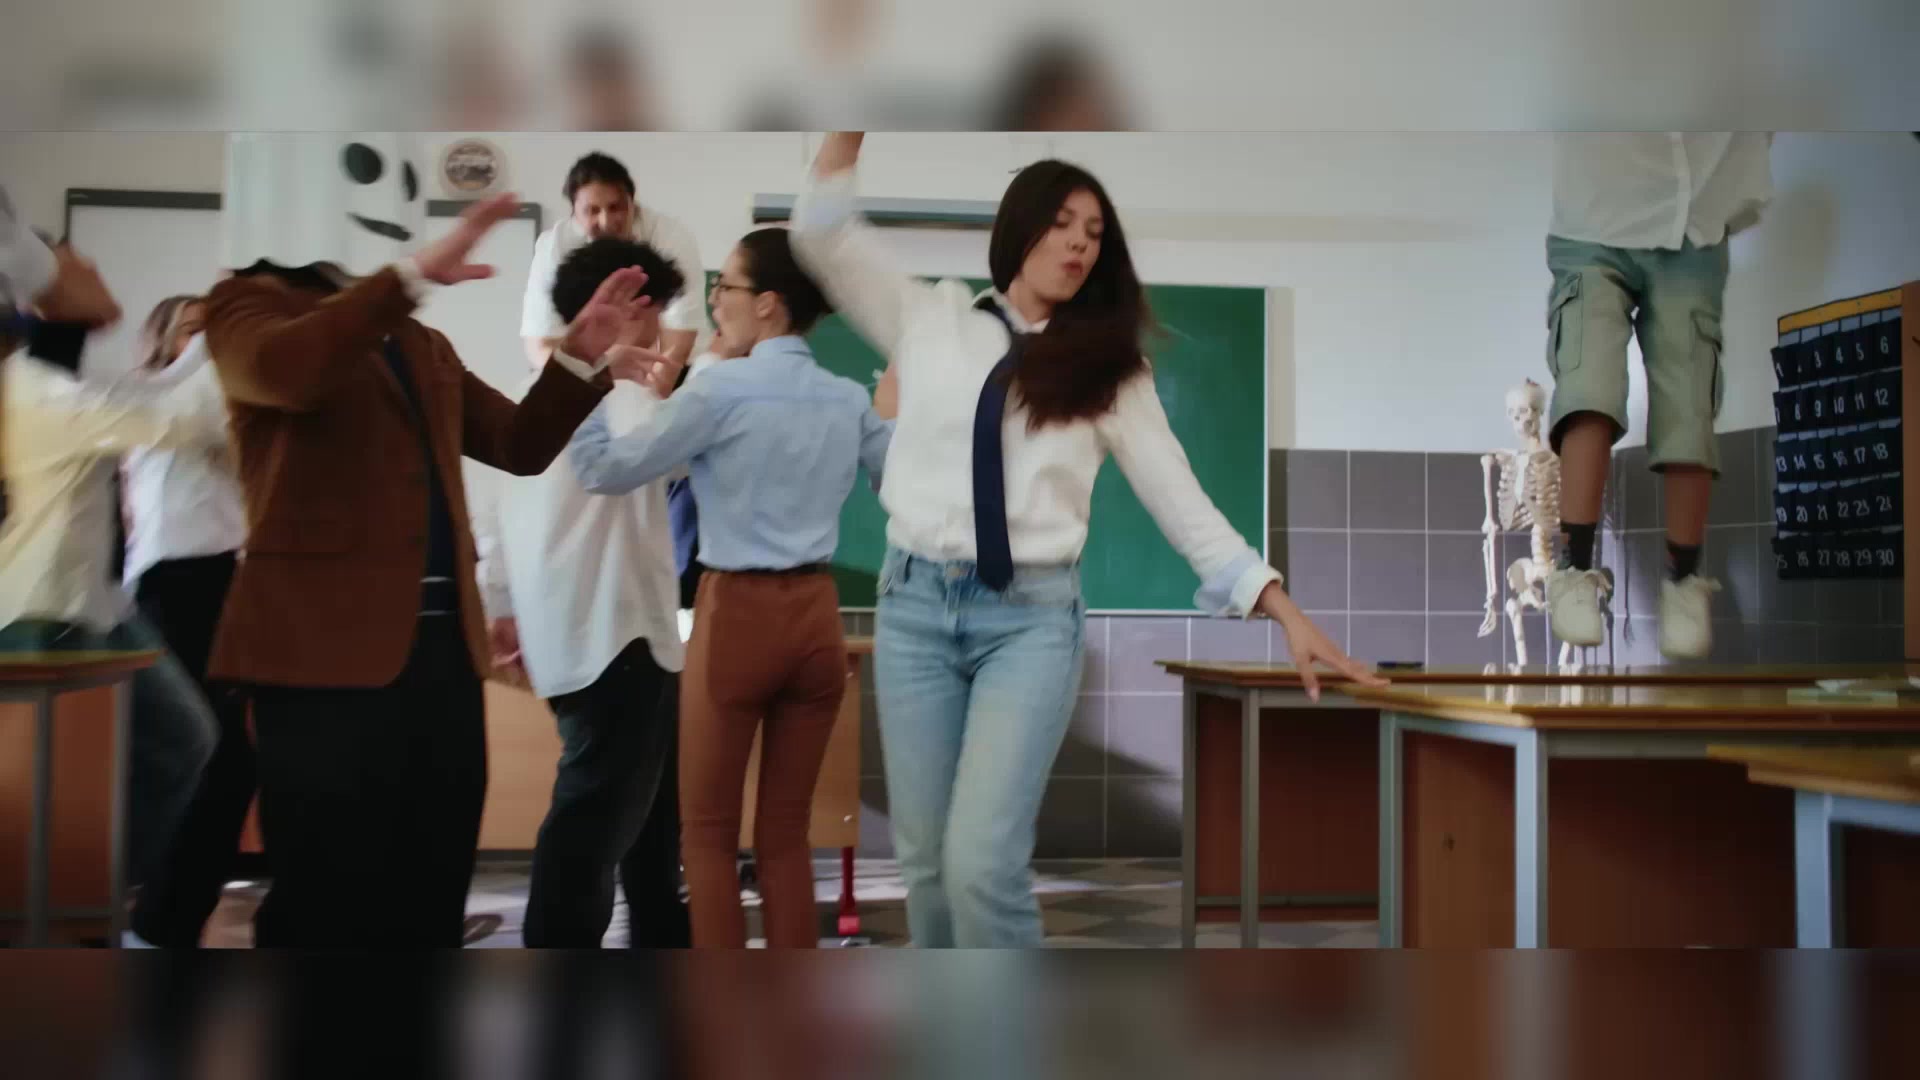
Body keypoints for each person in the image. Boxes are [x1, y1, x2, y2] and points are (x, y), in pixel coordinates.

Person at [789, 132, 1380, 948]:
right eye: (1062, 224)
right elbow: (823, 236)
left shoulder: (1110, 370)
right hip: (915, 607)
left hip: (1028, 622)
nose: (1078, 244)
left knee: (980, 864)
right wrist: (843, 134)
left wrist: (1281, 607)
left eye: (1094, 233)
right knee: (924, 864)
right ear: (1020, 229)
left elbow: (1181, 500)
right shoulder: (929, 319)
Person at [203, 132, 636, 948]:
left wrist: (579, 358)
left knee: (430, 888)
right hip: (321, 664)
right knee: (324, 904)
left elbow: (517, 442)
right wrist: (403, 281)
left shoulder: (419, 342)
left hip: (440, 662)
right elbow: (289, 371)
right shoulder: (244, 305)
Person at [568, 227, 893, 949]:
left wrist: (592, 385)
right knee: (785, 836)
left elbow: (605, 470)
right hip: (817, 619)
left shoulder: (719, 390)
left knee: (709, 835)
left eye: (729, 288)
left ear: (769, 304)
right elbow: (903, 480)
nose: (716, 301)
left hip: (738, 616)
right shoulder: (846, 399)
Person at [472, 236, 693, 948]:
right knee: (593, 828)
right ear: (631, 308)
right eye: (657, 311)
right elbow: (678, 456)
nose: (664, 330)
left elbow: (492, 522)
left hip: (566, 636)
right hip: (619, 635)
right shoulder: (627, 398)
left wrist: (501, 608)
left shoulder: (530, 394)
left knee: (644, 828)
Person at [0, 244, 223, 911]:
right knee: (71, 782)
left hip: (94, 608)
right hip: (44, 615)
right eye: (75, 262)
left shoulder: (46, 379)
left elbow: (152, 403)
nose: (93, 268)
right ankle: (75, 904)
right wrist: (227, 329)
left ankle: (87, 897)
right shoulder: (38, 392)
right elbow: (177, 422)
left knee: (183, 741)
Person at [1541, 132, 1773, 660]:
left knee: (1689, 398)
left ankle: (1684, 578)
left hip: (1693, 220)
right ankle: (1574, 569)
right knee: (1589, 384)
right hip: (1594, 213)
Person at [113, 296, 259, 947]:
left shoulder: (218, 406)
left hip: (220, 581)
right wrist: (224, 329)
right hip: (174, 586)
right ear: (164, 343)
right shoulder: (154, 399)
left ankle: (168, 921)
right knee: (212, 760)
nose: (210, 343)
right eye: (195, 331)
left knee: (230, 765)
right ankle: (158, 922)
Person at [522, 152, 707, 372]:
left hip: (672, 367)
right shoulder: (554, 246)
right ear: (574, 212)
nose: (606, 222)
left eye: (615, 208)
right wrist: (577, 384)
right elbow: (541, 343)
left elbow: (678, 339)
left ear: (632, 204)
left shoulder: (670, 237)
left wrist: (653, 390)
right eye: (592, 211)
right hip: (583, 371)